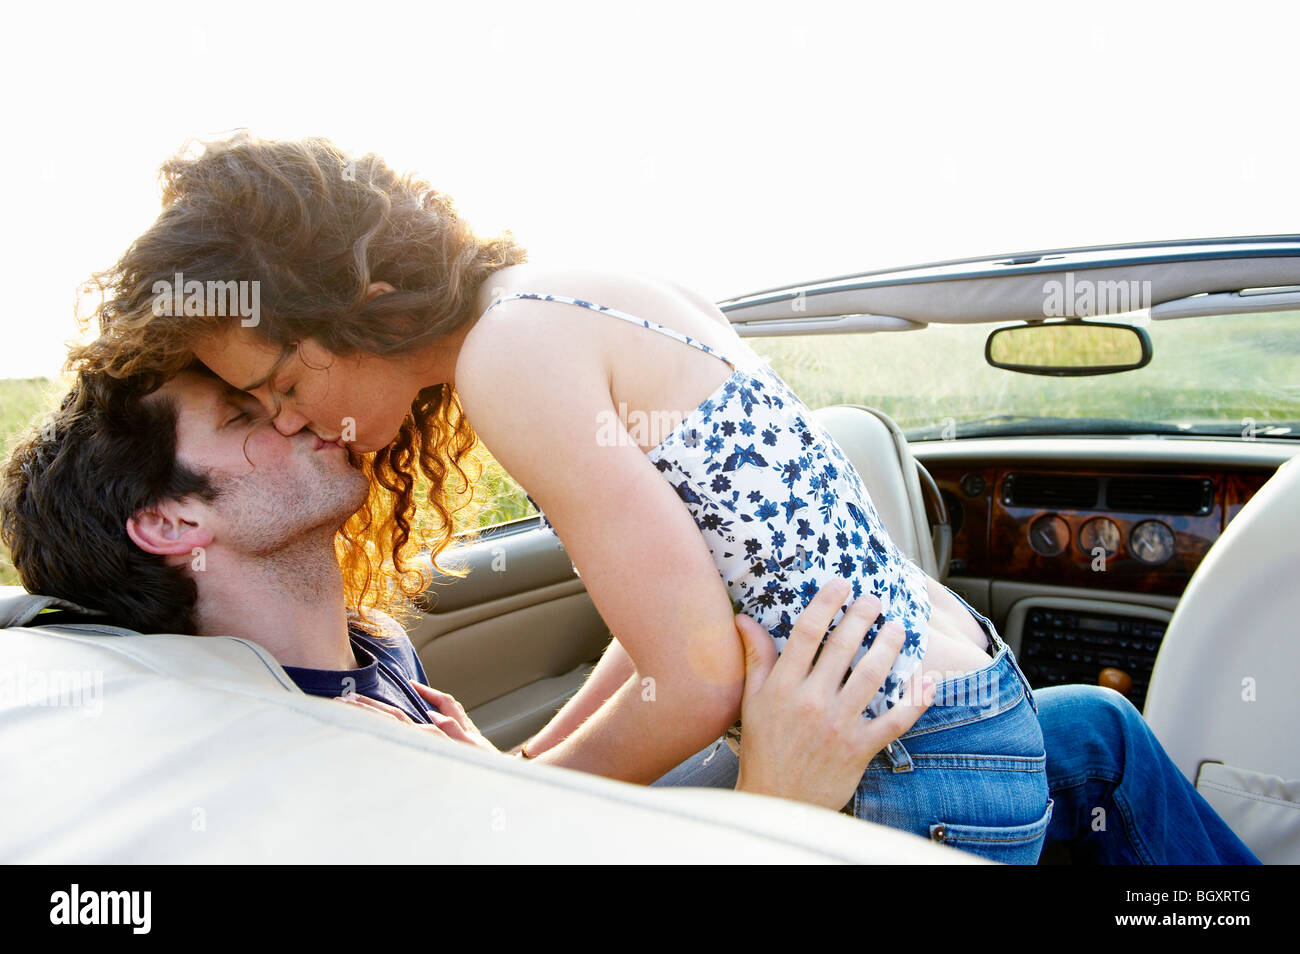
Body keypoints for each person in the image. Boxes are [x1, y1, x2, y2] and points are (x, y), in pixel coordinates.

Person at [67, 134, 1259, 863]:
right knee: (1097, 732)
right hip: (963, 706)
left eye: (281, 380)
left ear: (364, 295)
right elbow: (668, 621)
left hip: (916, 772)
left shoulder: (506, 365)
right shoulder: (565, 298)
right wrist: (534, 759)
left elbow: (691, 679)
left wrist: (512, 792)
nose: (288, 417)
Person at [0, 366, 931, 812]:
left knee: (1082, 730)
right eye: (247, 416)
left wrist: (500, 774)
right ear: (171, 524)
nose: (299, 415)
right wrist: (784, 806)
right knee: (1082, 734)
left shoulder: (371, 654)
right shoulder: (301, 761)